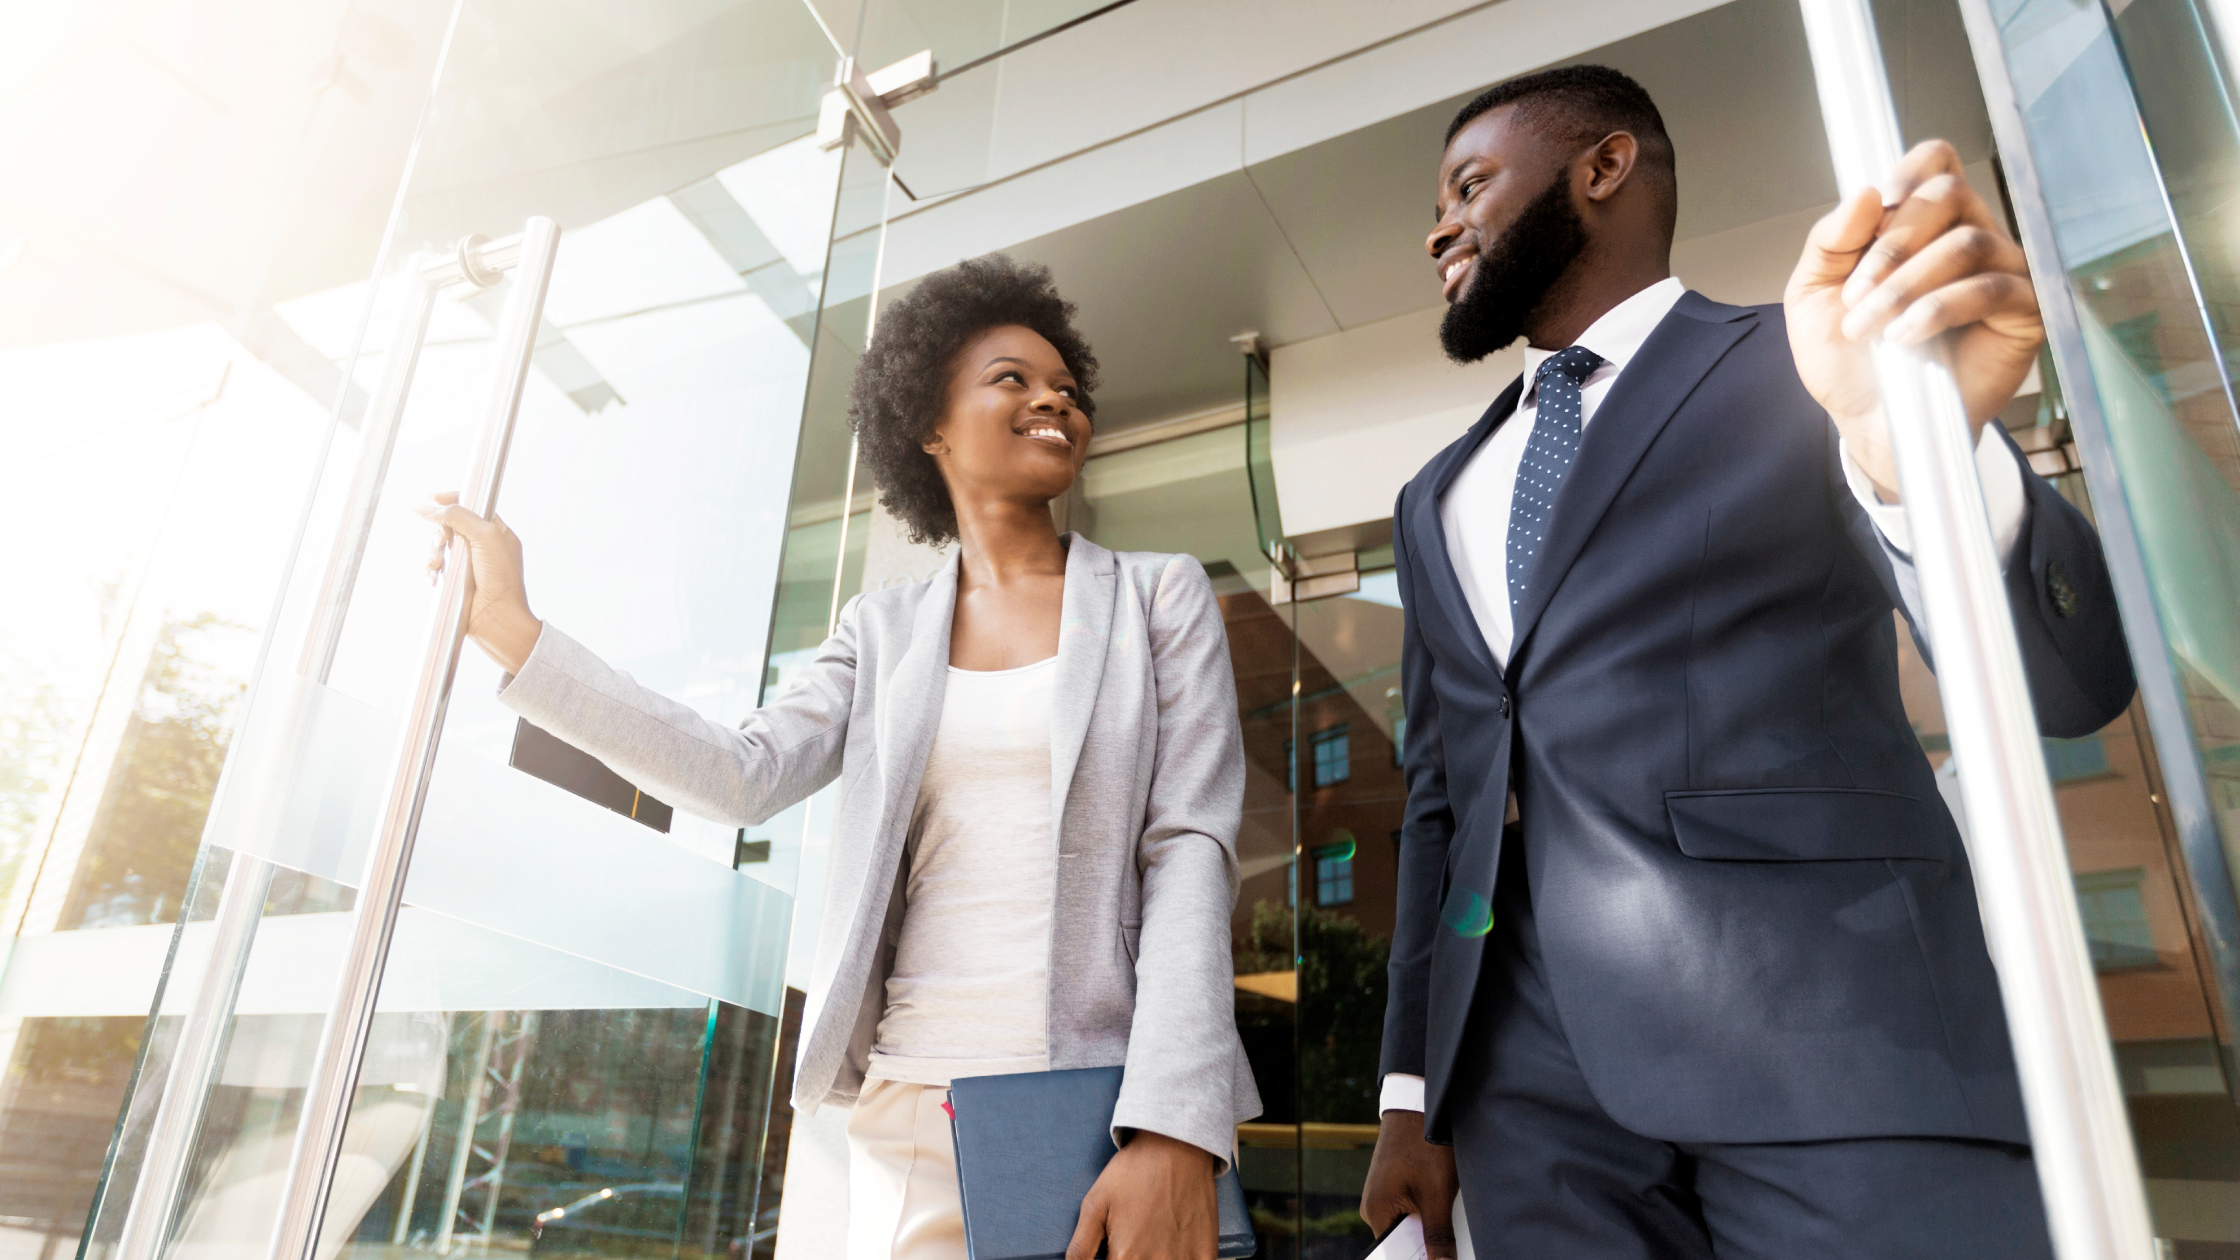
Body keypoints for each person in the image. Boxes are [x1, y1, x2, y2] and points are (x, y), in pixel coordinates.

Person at [1358, 66, 2134, 1259]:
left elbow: (2068, 684)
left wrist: (1906, 452)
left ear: (1601, 169)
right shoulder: (1431, 499)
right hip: (1527, 1117)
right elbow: (1436, 805)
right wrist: (1411, 1094)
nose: (1436, 226)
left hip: (1839, 1048)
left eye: (1468, 186)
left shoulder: (1812, 363)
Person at [418, 255, 1260, 1260]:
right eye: (1011, 379)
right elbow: (739, 773)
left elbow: (1189, 851)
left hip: (1094, 1103)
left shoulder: (1155, 597)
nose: (1051, 399)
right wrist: (513, 629)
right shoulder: (882, 631)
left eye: (1066, 387)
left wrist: (1170, 1122)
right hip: (911, 1107)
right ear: (930, 426)